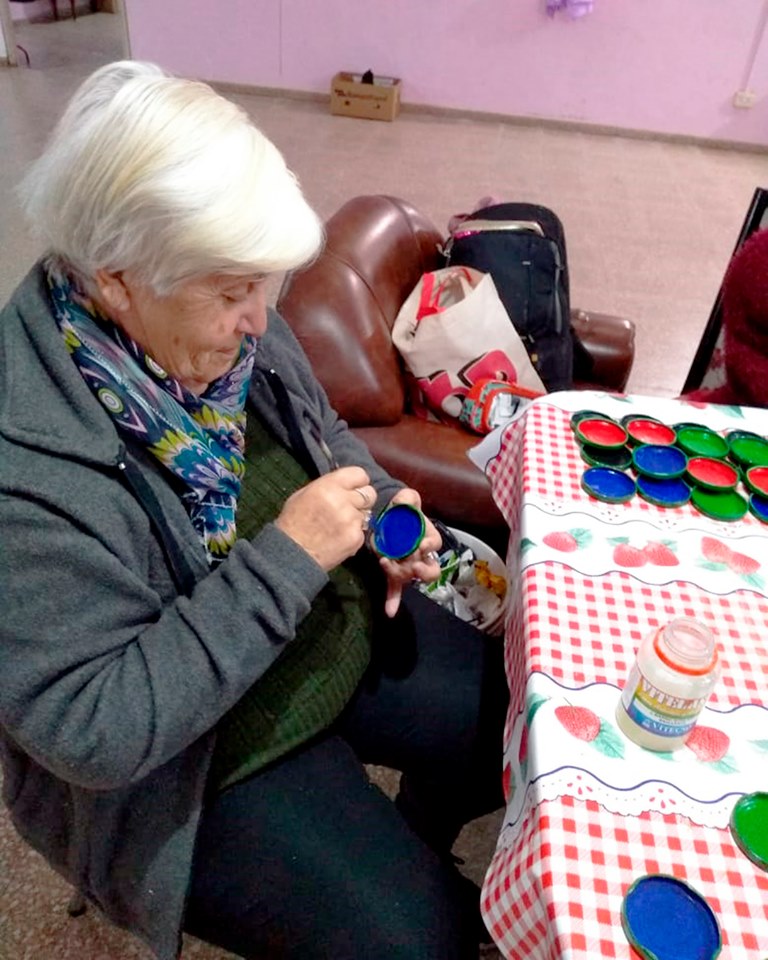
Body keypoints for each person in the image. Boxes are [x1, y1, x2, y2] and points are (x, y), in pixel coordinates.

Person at [0, 61, 508, 960]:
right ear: (118, 281)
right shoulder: (27, 462)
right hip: (184, 758)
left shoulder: (219, 329)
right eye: (234, 292)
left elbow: (325, 435)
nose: (260, 321)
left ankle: (414, 841)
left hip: (314, 622)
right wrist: (290, 557)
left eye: (264, 285)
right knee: (423, 942)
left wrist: (381, 502)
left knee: (512, 711)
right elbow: (94, 731)